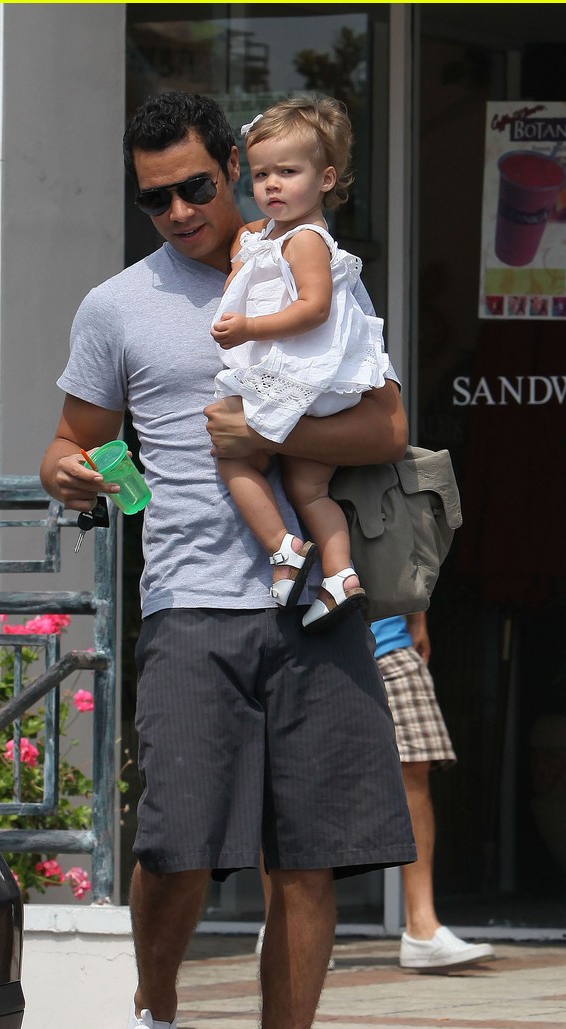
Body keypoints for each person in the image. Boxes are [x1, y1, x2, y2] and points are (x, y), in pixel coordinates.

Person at [40, 90, 415, 1029]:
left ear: (236, 175)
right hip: (191, 603)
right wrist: (74, 473)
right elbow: (70, 442)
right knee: (177, 844)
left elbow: (388, 424)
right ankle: (153, 1017)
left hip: (312, 608)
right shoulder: (116, 306)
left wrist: (264, 432)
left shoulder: (310, 265)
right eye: (154, 197)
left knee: (309, 858)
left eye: (195, 187)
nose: (177, 211)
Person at [210, 97, 388, 632]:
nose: (272, 185)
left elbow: (314, 309)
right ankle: (340, 576)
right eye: (261, 174)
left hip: (301, 378)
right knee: (309, 488)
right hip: (311, 384)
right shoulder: (267, 237)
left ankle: (283, 547)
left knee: (233, 456)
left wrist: (249, 327)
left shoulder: (306, 239)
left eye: (288, 172)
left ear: (326, 178)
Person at [372, 612, 495, 971]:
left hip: (387, 633)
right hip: (310, 637)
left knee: (415, 765)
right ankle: (288, 925)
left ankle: (422, 929)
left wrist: (418, 614)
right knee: (301, 776)